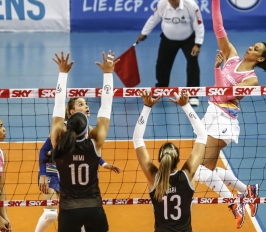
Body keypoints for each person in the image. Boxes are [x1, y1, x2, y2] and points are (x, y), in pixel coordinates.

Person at [196, 0, 266, 229]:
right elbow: (219, 28)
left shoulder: (252, 80)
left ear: (260, 59)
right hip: (211, 113)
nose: (252, 47)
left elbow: (224, 94)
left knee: (197, 171)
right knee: (209, 169)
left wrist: (217, 70)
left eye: (257, 49)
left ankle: (233, 202)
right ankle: (247, 189)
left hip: (224, 121)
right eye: (253, 44)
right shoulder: (232, 56)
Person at [49, 50, 119, 232]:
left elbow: (58, 106)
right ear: (87, 126)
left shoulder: (58, 142)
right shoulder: (95, 144)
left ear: (67, 126)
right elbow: (106, 105)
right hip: (93, 208)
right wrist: (108, 74)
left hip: (68, 210)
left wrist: (62, 74)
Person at [35, 97, 121, 232]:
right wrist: (42, 174)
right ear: (72, 111)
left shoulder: (89, 129)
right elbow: (44, 151)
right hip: (53, 171)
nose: (86, 106)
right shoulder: (61, 129)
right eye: (81, 104)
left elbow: (89, 153)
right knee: (50, 214)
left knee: (78, 218)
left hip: (70, 176)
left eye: (86, 104)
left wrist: (104, 164)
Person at [132, 91, 207, 232]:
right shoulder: (187, 174)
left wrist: (146, 107)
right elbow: (202, 136)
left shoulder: (154, 177)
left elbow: (137, 140)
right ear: (178, 159)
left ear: (159, 159)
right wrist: (186, 106)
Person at [136, 0, 205, 107]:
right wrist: (144, 33)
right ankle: (161, 89)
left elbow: (199, 24)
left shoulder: (191, 5)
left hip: (188, 39)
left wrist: (198, 44)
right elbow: (153, 19)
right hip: (168, 39)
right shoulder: (162, 4)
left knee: (193, 64)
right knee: (162, 64)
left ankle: (192, 94)